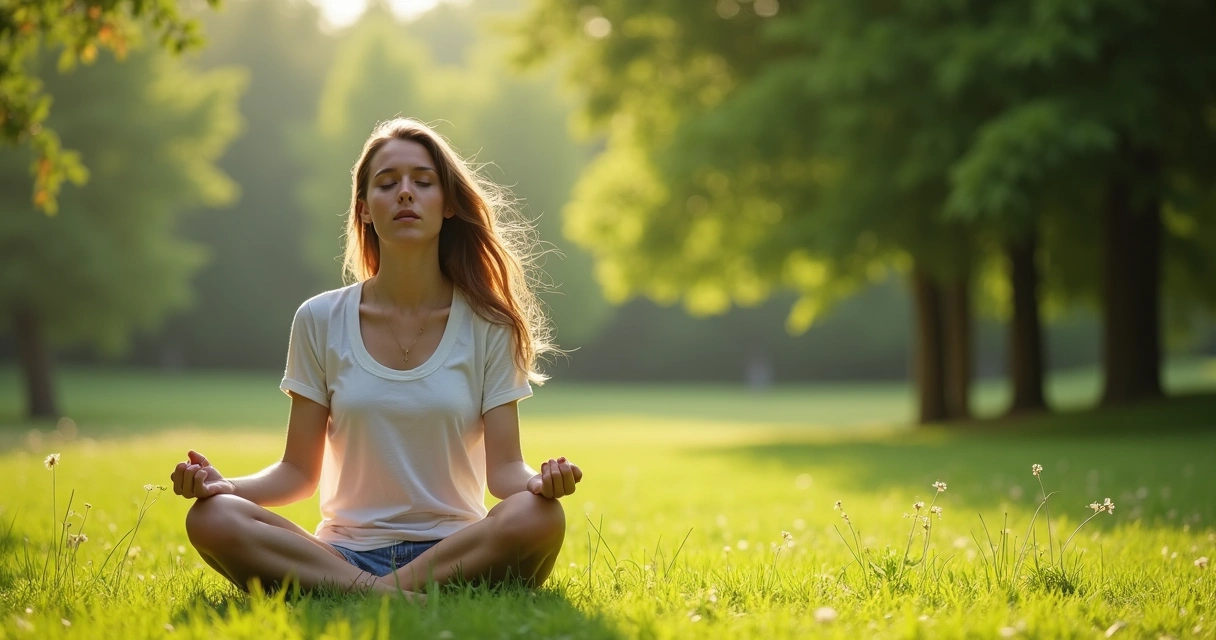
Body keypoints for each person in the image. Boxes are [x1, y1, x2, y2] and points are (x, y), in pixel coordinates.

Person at [170, 118, 582, 598]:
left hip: (454, 548)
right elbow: (299, 472)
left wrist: (543, 481)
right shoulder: (320, 318)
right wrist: (225, 487)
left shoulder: (488, 324)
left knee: (539, 515)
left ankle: (355, 594)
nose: (405, 193)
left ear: (448, 204)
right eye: (387, 184)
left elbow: (505, 471)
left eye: (422, 182)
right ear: (364, 210)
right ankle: (395, 596)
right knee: (213, 517)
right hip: (343, 551)